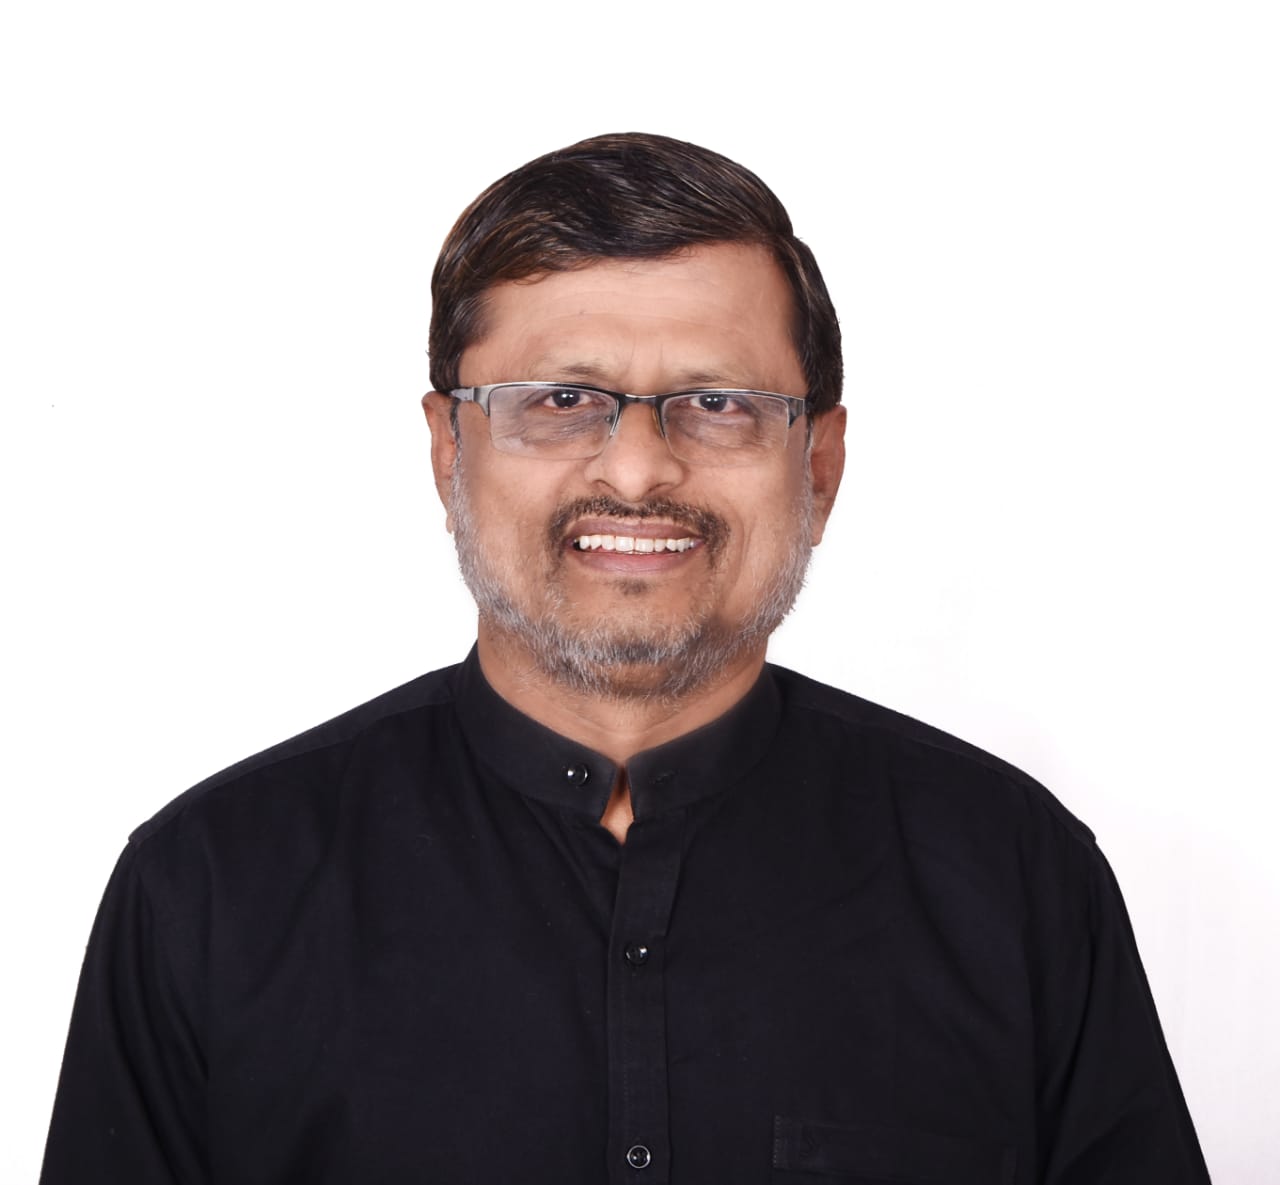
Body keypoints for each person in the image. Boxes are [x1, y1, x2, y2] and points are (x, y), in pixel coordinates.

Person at [41, 133, 1210, 1184]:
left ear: (817, 466)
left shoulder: (1013, 877)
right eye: (561, 399)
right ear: (448, 452)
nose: (640, 470)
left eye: (718, 403)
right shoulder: (210, 889)